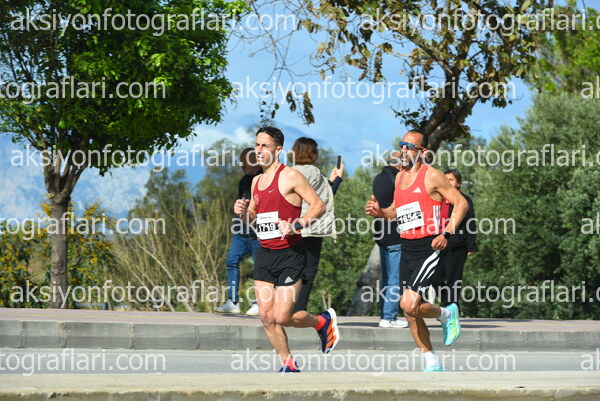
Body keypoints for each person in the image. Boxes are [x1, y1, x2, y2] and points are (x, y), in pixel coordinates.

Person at [234, 126, 340, 373]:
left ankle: (322, 321)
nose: (258, 150)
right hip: (265, 254)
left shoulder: (291, 176)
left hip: (290, 254)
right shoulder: (256, 181)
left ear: (278, 150)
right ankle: (288, 363)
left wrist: (297, 224)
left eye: (265, 146)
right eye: (257, 145)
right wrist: (242, 213)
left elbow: (318, 206)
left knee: (282, 316)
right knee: (265, 316)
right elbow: (253, 219)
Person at [365, 130, 469, 372]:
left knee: (409, 304)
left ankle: (446, 314)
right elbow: (395, 210)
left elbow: (461, 203)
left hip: (429, 247)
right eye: (402, 145)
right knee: (411, 313)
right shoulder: (400, 177)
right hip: (406, 247)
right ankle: (431, 361)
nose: (404, 150)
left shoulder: (432, 176)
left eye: (410, 147)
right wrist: (381, 213)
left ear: (422, 152)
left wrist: (447, 233)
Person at [290, 137, 343, 313]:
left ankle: (286, 307)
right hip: (311, 228)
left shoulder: (289, 171)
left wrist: (329, 180)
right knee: (308, 270)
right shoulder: (313, 172)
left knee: (292, 268)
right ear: (312, 153)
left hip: (292, 227)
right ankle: (299, 309)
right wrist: (337, 180)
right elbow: (323, 200)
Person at [215, 148, 262, 315]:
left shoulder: (264, 178)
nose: (242, 165)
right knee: (231, 261)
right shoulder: (243, 180)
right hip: (241, 231)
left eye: (244, 161)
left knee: (260, 267)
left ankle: (259, 303)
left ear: (254, 161)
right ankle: (233, 302)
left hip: (258, 232)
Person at [372, 151, 408, 328]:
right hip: (395, 234)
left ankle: (384, 315)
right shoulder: (398, 180)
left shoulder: (378, 178)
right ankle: (389, 317)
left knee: (386, 278)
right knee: (395, 278)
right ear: (400, 165)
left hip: (381, 233)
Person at [434, 169, 478, 309]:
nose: (448, 182)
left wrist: (471, 245)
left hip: (458, 245)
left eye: (451, 180)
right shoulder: (438, 198)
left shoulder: (464, 200)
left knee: (453, 279)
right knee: (434, 278)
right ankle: (449, 305)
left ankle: (451, 309)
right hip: (439, 244)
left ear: (458, 183)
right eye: (446, 179)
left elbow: (470, 223)